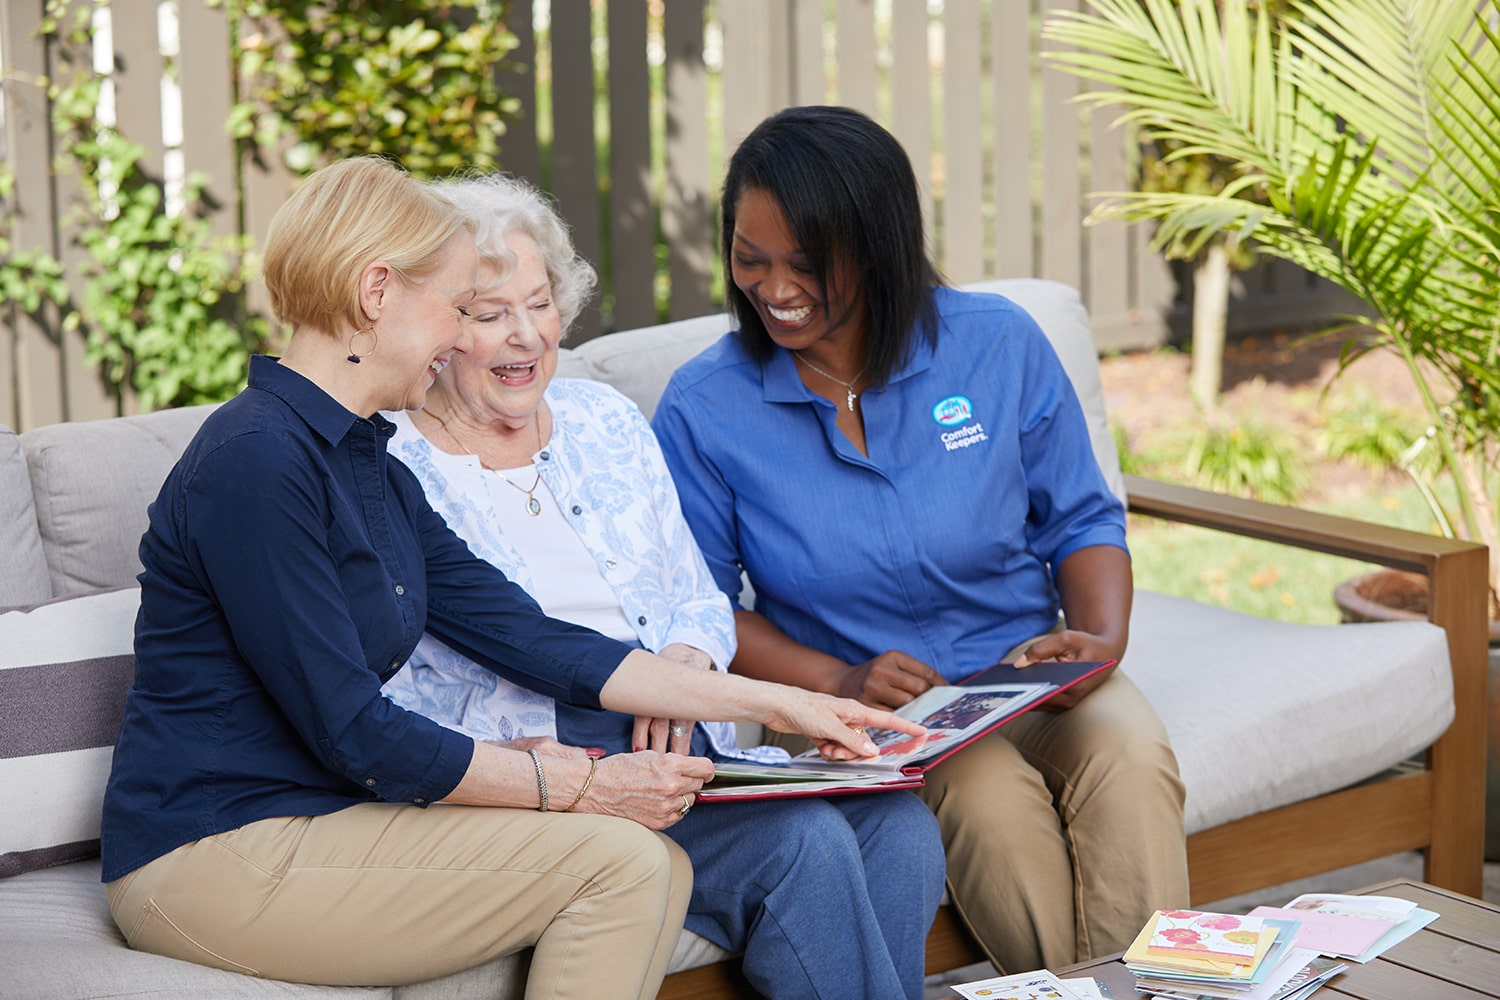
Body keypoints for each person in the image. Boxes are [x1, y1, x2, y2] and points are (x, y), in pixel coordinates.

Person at [98, 155, 925, 999]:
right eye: (460, 309)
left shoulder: (361, 458)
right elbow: (353, 728)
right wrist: (580, 783)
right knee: (626, 865)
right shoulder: (258, 463)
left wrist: (782, 703)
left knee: (650, 860)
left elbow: (531, 637)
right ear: (376, 293)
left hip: (325, 821)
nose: (465, 338)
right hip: (213, 852)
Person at [378, 171, 946, 999]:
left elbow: (698, 597)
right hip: (547, 783)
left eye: (539, 304)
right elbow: (390, 689)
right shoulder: (394, 467)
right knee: (803, 847)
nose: (526, 337)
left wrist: (682, 666)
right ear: (433, 328)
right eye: (488, 315)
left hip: (690, 752)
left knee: (898, 825)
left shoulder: (603, 422)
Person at [651, 105, 1191, 975]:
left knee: (1130, 752)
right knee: (990, 803)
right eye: (751, 259)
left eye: (808, 264)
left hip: (1029, 669)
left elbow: (1082, 516)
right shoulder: (705, 405)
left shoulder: (995, 343)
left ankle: (1158, 993)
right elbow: (698, 610)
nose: (774, 288)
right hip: (872, 715)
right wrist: (838, 680)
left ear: (880, 247)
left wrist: (1099, 640)